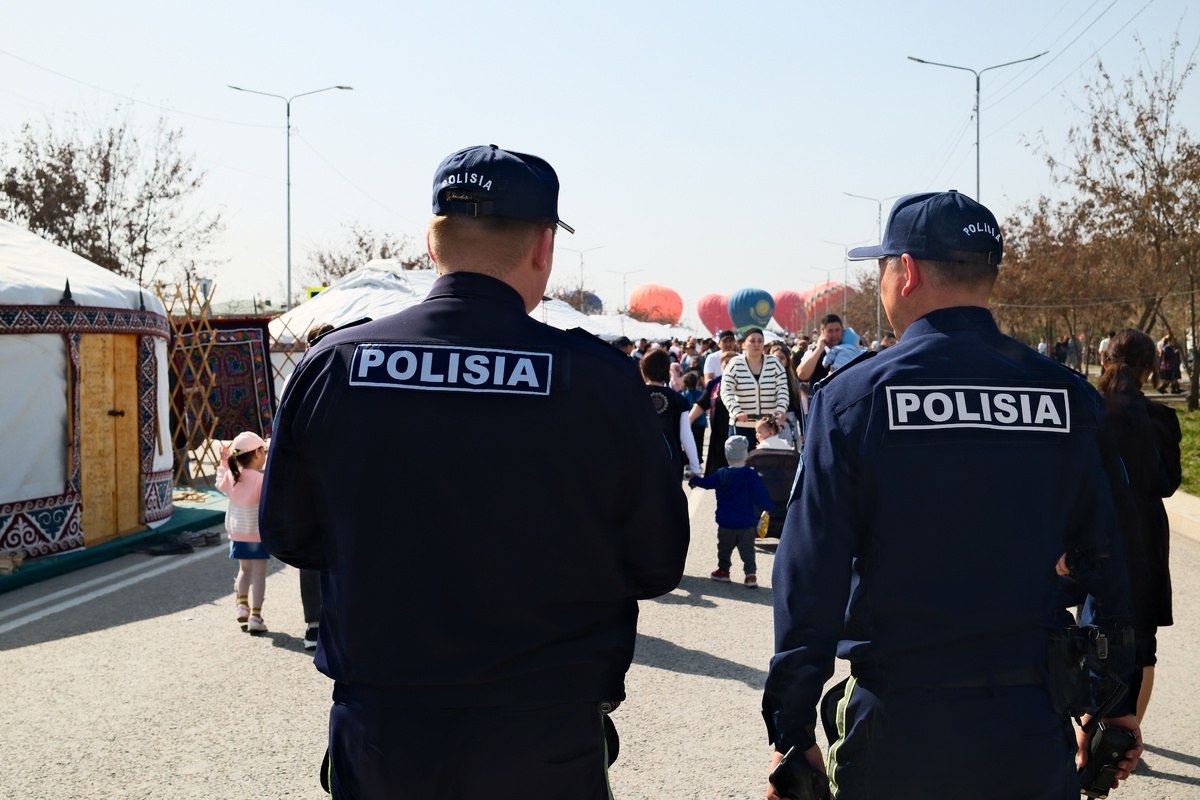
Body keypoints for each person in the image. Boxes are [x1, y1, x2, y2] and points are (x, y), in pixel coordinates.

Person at [259, 144, 690, 800]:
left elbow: (291, 536)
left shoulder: (335, 366)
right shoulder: (596, 379)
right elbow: (656, 561)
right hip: (542, 732)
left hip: (384, 733)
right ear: (543, 248)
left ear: (432, 244)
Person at [763, 190, 1141, 800]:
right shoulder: (1068, 397)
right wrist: (1112, 701)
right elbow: (1112, 557)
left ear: (905, 271)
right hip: (1030, 721)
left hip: (900, 724)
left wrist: (792, 726)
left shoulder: (855, 400)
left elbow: (811, 573)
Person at [1097, 329, 1182, 727]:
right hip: (1146, 533)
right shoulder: (1161, 418)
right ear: (1150, 370)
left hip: (1099, 528)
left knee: (1096, 631)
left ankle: (1094, 726)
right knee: (1143, 645)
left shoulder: (1091, 412)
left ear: (1104, 360)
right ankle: (1130, 735)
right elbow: (1167, 484)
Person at [688, 435, 774, 588]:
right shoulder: (751, 475)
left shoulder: (721, 473)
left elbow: (707, 483)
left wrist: (694, 480)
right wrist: (768, 506)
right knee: (747, 550)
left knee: (724, 548)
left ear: (727, 455)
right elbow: (760, 493)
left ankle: (723, 571)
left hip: (726, 521)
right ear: (745, 455)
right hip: (746, 522)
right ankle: (750, 575)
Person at [298, 322, 335, 651]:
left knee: (314, 554)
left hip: (312, 476)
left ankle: (315, 624)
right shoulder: (344, 368)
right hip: (334, 477)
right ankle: (320, 624)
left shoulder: (301, 374)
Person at [216, 431, 270, 634]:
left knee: (244, 570)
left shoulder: (232, 476)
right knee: (259, 575)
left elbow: (219, 483)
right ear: (257, 454)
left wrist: (222, 463)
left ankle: (241, 605)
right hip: (256, 534)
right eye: (263, 451)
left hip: (237, 533)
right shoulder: (260, 479)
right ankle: (255, 616)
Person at [720, 327, 789, 449]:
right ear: (743, 344)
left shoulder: (774, 363)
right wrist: (737, 411)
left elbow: (782, 388)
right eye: (752, 341)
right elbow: (726, 391)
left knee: (768, 463)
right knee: (741, 462)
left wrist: (780, 409)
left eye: (760, 341)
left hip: (768, 427)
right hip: (742, 425)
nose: (756, 344)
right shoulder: (735, 364)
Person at [641, 348, 702, 479]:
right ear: (667, 371)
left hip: (640, 460)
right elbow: (686, 436)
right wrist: (695, 467)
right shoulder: (678, 399)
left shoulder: (633, 396)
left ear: (644, 371)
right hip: (670, 460)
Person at [691, 350, 737, 475]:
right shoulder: (715, 384)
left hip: (738, 436)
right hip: (718, 437)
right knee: (720, 478)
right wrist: (687, 421)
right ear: (721, 365)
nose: (728, 365)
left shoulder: (744, 383)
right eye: (725, 363)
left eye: (732, 363)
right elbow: (701, 404)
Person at [795, 314, 844, 389]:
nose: (834, 335)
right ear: (822, 332)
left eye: (837, 330)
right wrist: (819, 349)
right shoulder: (812, 353)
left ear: (842, 330)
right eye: (830, 331)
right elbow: (802, 374)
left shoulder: (851, 351)